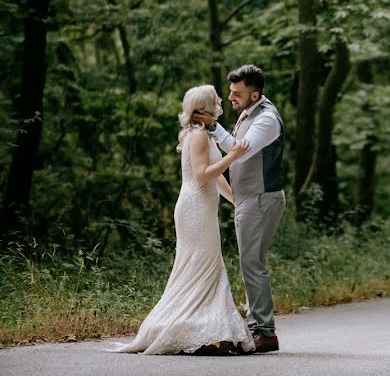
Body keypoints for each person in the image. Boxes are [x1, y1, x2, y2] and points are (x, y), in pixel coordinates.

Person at [109, 85, 255, 355]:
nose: (221, 100)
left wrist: (235, 200)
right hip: (195, 208)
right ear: (203, 108)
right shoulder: (198, 136)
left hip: (201, 206)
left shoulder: (203, 134)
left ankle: (208, 328)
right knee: (203, 264)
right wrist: (233, 156)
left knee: (204, 266)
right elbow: (202, 176)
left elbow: (216, 178)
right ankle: (202, 329)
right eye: (215, 99)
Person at [193, 65, 286, 354]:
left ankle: (264, 332)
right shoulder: (249, 113)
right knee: (251, 263)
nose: (231, 98)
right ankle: (257, 325)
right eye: (230, 92)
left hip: (260, 198)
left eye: (237, 94)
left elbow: (238, 149)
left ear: (254, 94)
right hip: (249, 198)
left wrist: (211, 125)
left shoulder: (267, 119)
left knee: (252, 264)